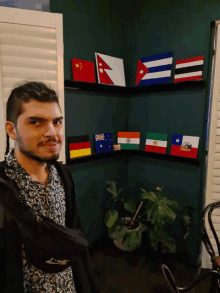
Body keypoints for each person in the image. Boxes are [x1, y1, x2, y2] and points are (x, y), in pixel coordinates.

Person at [0, 81, 100, 293]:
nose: (52, 133)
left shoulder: (63, 176)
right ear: (12, 130)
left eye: (57, 122)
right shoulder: (2, 188)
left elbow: (74, 240)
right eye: (36, 122)